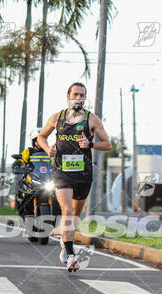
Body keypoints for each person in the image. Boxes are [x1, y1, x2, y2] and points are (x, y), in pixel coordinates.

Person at [37, 82, 111, 272]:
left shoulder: (92, 119)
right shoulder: (56, 118)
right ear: (68, 96)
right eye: (75, 94)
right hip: (62, 172)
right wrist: (48, 149)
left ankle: (65, 241)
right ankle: (70, 255)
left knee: (75, 215)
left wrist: (91, 144)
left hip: (83, 173)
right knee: (67, 211)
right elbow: (41, 137)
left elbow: (107, 144)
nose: (78, 98)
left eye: (82, 95)